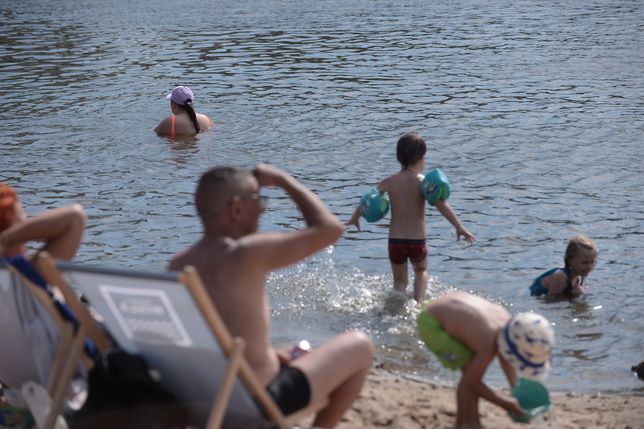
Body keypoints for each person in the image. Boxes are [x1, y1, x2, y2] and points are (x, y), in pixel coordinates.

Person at [168, 164, 373, 429]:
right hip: (258, 404)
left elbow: (220, 333)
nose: (263, 209)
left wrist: (269, 355)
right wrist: (282, 180)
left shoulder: (178, 264)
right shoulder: (245, 252)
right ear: (237, 208)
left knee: (287, 353)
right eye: (259, 200)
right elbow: (331, 229)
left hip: (203, 404)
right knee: (360, 346)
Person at [347, 132, 475, 302]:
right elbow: (442, 205)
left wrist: (355, 217)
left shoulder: (389, 181)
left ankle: (393, 306)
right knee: (421, 271)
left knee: (399, 282)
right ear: (421, 158)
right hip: (416, 240)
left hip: (395, 241)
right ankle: (419, 304)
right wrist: (459, 227)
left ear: (399, 157)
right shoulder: (424, 183)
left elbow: (368, 200)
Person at [0, 182, 86, 417]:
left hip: (16, 390)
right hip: (59, 385)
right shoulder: (29, 275)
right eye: (23, 215)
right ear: (16, 226)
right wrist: (7, 239)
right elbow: (74, 217)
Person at [417, 291, 554, 429]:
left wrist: (515, 388)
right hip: (432, 323)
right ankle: (469, 423)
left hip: (445, 305)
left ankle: (465, 422)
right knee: (469, 369)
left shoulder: (507, 322)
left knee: (470, 369)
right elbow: (474, 382)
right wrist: (505, 403)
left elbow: (504, 358)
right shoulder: (487, 343)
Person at [530, 235, 598, 297]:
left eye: (592, 262)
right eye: (584, 262)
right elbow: (551, 300)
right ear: (570, 260)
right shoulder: (560, 276)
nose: (589, 267)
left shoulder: (577, 279)